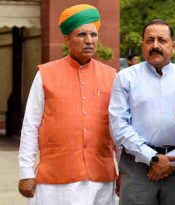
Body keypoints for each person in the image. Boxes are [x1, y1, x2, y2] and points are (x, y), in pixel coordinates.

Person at [18, 4, 117, 205]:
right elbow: (30, 125)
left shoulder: (112, 76)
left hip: (100, 178)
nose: (89, 40)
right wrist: (25, 172)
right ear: (67, 39)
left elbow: (119, 128)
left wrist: (124, 171)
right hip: (55, 181)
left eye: (93, 34)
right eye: (81, 35)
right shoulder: (45, 74)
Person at [109, 19, 175, 205]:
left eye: (162, 40)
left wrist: (173, 160)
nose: (155, 46)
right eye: (149, 40)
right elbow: (119, 126)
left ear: (173, 46)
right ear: (142, 45)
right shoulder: (125, 78)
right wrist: (152, 158)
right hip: (137, 167)